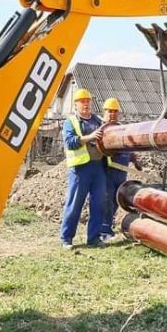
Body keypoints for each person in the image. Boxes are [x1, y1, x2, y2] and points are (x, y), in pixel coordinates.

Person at [59, 88, 107, 250]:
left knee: (98, 203)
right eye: (82, 102)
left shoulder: (99, 120)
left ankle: (94, 238)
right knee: (74, 204)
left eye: (88, 101)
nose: (86, 104)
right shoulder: (70, 121)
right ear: (76, 104)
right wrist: (90, 137)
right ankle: (66, 238)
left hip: (98, 167)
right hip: (80, 169)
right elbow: (70, 142)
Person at [99, 97, 142, 242]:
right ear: (104, 112)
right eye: (109, 111)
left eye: (115, 111)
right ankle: (104, 231)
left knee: (116, 200)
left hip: (121, 172)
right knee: (107, 201)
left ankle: (108, 227)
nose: (112, 114)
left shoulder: (122, 129)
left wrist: (134, 160)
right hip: (108, 172)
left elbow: (128, 148)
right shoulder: (101, 130)